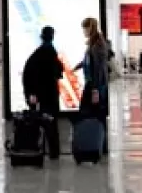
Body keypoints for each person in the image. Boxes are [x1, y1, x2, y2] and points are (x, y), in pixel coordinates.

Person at [21, 26, 64, 159]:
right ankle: (53, 152)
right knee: (51, 123)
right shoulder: (50, 52)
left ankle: (36, 149)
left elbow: (28, 74)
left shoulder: (38, 54)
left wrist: (30, 94)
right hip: (50, 94)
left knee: (40, 122)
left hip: (41, 95)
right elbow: (58, 72)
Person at [74, 18, 111, 154]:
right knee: (95, 114)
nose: (83, 31)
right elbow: (89, 62)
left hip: (96, 86)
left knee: (96, 115)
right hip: (93, 85)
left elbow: (99, 69)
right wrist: (78, 66)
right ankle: (98, 144)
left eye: (85, 28)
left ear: (90, 28)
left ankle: (100, 145)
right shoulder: (93, 44)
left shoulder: (98, 45)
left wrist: (95, 89)